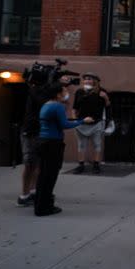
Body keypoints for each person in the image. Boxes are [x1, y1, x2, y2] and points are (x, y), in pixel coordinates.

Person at [35, 82, 94, 216]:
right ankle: (45, 207)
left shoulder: (46, 105)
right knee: (50, 175)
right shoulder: (57, 106)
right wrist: (82, 121)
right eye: (64, 91)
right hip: (53, 143)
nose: (66, 94)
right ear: (58, 94)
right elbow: (64, 124)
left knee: (43, 175)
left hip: (44, 141)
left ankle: (40, 205)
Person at [71, 72, 110, 175]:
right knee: (81, 145)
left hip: (97, 123)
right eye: (85, 79)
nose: (87, 81)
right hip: (81, 123)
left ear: (95, 81)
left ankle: (96, 165)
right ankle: (81, 165)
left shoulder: (101, 91)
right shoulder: (79, 92)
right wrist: (75, 121)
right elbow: (74, 108)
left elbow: (108, 106)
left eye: (89, 79)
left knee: (97, 144)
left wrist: (105, 97)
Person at [17, 77, 46, 207]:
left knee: (38, 163)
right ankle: (24, 194)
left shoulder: (39, 91)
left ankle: (33, 191)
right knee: (29, 164)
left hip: (39, 131)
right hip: (30, 132)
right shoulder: (33, 91)